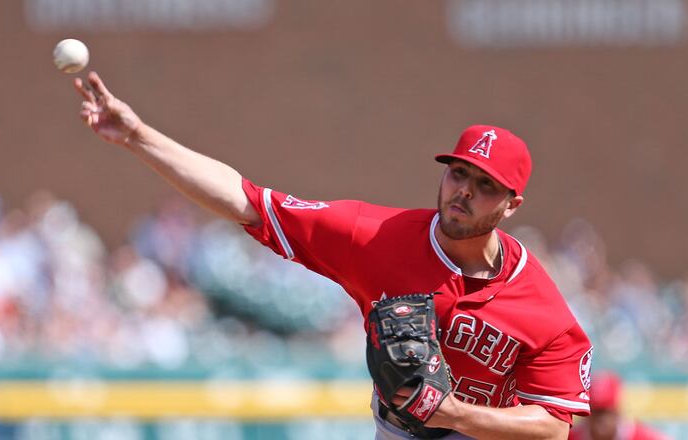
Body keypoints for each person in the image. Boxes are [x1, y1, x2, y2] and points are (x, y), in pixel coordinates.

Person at [73, 71, 593, 439]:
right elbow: (247, 201)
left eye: (484, 185)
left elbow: (551, 426)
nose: (464, 190)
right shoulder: (373, 236)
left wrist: (453, 413)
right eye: (458, 172)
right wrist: (139, 138)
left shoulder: (541, 306)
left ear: (511, 204)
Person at [569, 372, 669, 440]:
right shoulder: (568, 436)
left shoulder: (642, 436)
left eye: (606, 411)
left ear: (617, 410)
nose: (601, 419)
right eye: (595, 411)